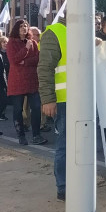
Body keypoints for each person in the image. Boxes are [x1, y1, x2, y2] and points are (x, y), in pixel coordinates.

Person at [38, 16, 69, 200]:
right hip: (64, 100)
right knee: (65, 145)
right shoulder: (54, 33)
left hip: (86, 99)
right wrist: (48, 99)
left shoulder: (86, 32)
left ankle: (78, 181)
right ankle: (63, 186)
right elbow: (45, 68)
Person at [8, 20, 48, 146]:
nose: (24, 28)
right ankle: (21, 135)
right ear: (16, 29)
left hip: (31, 80)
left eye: (26, 26)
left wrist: (25, 62)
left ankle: (36, 135)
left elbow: (37, 59)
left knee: (36, 107)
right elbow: (14, 60)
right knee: (18, 109)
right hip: (17, 80)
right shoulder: (11, 43)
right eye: (21, 26)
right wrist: (25, 49)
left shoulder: (33, 43)